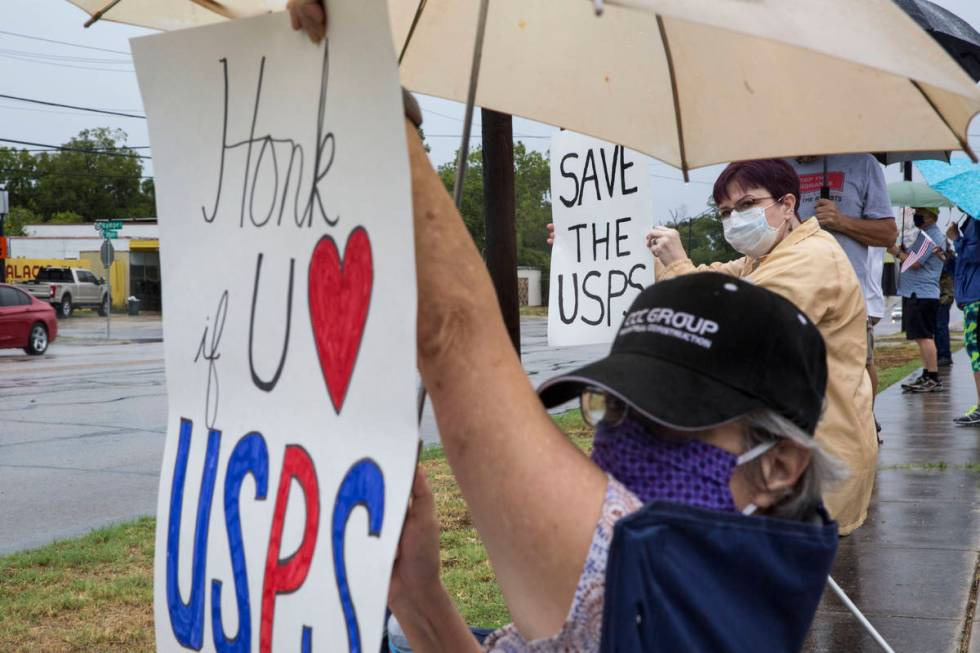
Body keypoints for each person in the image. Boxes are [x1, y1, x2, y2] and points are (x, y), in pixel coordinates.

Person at [288, 6, 843, 650]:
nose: (619, 447)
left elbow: (452, 332)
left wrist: (364, 93)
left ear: (779, 465)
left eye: (669, 424)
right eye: (614, 411)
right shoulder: (715, 578)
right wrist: (419, 599)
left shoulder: (673, 590)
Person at [646, 158, 876, 536]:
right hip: (788, 448)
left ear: (787, 205)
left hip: (815, 457)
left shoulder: (811, 260)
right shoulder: (769, 256)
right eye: (725, 212)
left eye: (747, 205)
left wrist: (677, 266)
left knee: (787, 578)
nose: (734, 219)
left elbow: (731, 328)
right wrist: (614, 252)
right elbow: (713, 281)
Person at [789, 154, 897, 430]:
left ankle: (862, 429)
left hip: (848, 295)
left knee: (857, 371)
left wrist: (842, 221)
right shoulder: (776, 165)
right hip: (794, 293)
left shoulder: (862, 164)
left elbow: (887, 234)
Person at [887, 207, 947, 392]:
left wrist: (895, 251)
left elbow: (914, 263)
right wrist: (904, 251)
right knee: (921, 337)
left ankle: (933, 377)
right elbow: (915, 258)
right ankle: (927, 374)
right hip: (918, 293)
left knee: (924, 337)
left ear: (932, 217)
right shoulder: (926, 235)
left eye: (921, 213)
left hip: (921, 293)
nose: (917, 216)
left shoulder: (929, 237)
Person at [948, 213, 980, 425]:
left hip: (976, 296)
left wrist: (956, 238)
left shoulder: (976, 222)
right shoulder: (970, 221)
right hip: (971, 295)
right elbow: (964, 265)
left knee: (975, 349)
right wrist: (949, 258)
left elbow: (975, 254)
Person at [936, 244, 956, 367]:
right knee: (938, 326)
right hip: (942, 296)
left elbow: (941, 271)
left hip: (944, 296)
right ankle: (941, 354)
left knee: (940, 326)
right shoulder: (948, 257)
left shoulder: (946, 258)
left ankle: (944, 355)